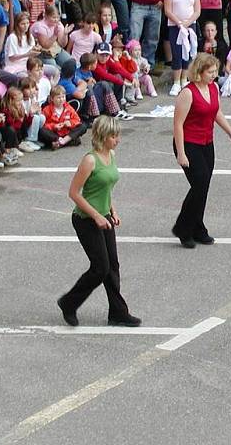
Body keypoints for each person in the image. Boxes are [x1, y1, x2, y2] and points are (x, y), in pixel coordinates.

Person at [57, 116, 141, 328]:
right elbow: (74, 193)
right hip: (86, 219)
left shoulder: (110, 155)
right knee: (100, 268)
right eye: (114, 136)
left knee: (112, 266)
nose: (118, 140)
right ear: (103, 137)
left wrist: (112, 210)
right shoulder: (90, 160)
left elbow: (106, 187)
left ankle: (118, 312)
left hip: (104, 217)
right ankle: (69, 302)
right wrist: (96, 215)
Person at [171, 54, 231, 249]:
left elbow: (216, 112)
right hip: (188, 143)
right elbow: (178, 124)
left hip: (206, 143)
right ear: (199, 72)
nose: (214, 75)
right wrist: (181, 152)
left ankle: (198, 227)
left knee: (203, 187)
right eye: (210, 72)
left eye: (215, 72)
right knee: (199, 184)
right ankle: (183, 228)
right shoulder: (188, 93)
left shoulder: (213, 88)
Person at [164, 0, 201, 96]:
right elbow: (167, 10)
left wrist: (187, 23)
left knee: (188, 52)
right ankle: (176, 82)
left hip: (190, 25)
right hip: (175, 26)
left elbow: (197, 11)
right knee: (177, 52)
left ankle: (184, 79)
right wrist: (179, 23)